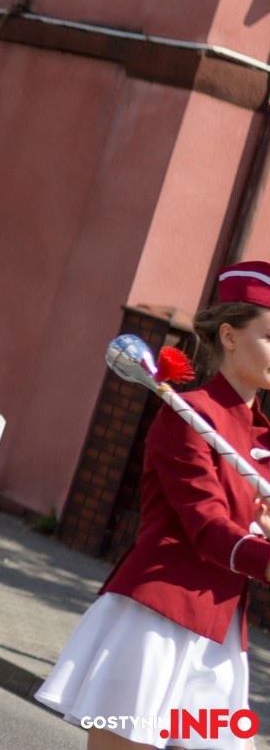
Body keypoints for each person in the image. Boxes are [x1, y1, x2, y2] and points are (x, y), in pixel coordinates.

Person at [35, 261, 270, 750]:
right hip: (158, 621)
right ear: (229, 335)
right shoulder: (187, 415)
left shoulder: (263, 437)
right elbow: (207, 527)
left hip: (220, 632)